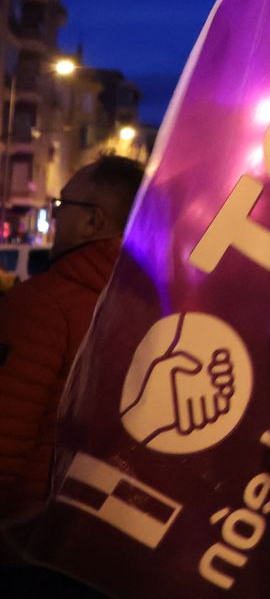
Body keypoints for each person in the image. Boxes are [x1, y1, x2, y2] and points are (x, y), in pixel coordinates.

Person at [0, 155, 145, 595]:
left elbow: (5, 441)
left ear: (93, 222)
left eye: (62, 205)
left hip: (25, 548)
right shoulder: (155, 310)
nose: (55, 216)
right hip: (111, 551)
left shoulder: (44, 305)